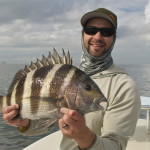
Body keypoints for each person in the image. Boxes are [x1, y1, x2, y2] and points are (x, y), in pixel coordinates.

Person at [2, 8, 141, 150]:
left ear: (114, 38)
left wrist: (84, 136)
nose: (98, 37)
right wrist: (24, 122)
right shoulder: (73, 75)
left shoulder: (124, 86)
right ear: (83, 35)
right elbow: (44, 121)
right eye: (91, 30)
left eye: (107, 32)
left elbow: (116, 146)